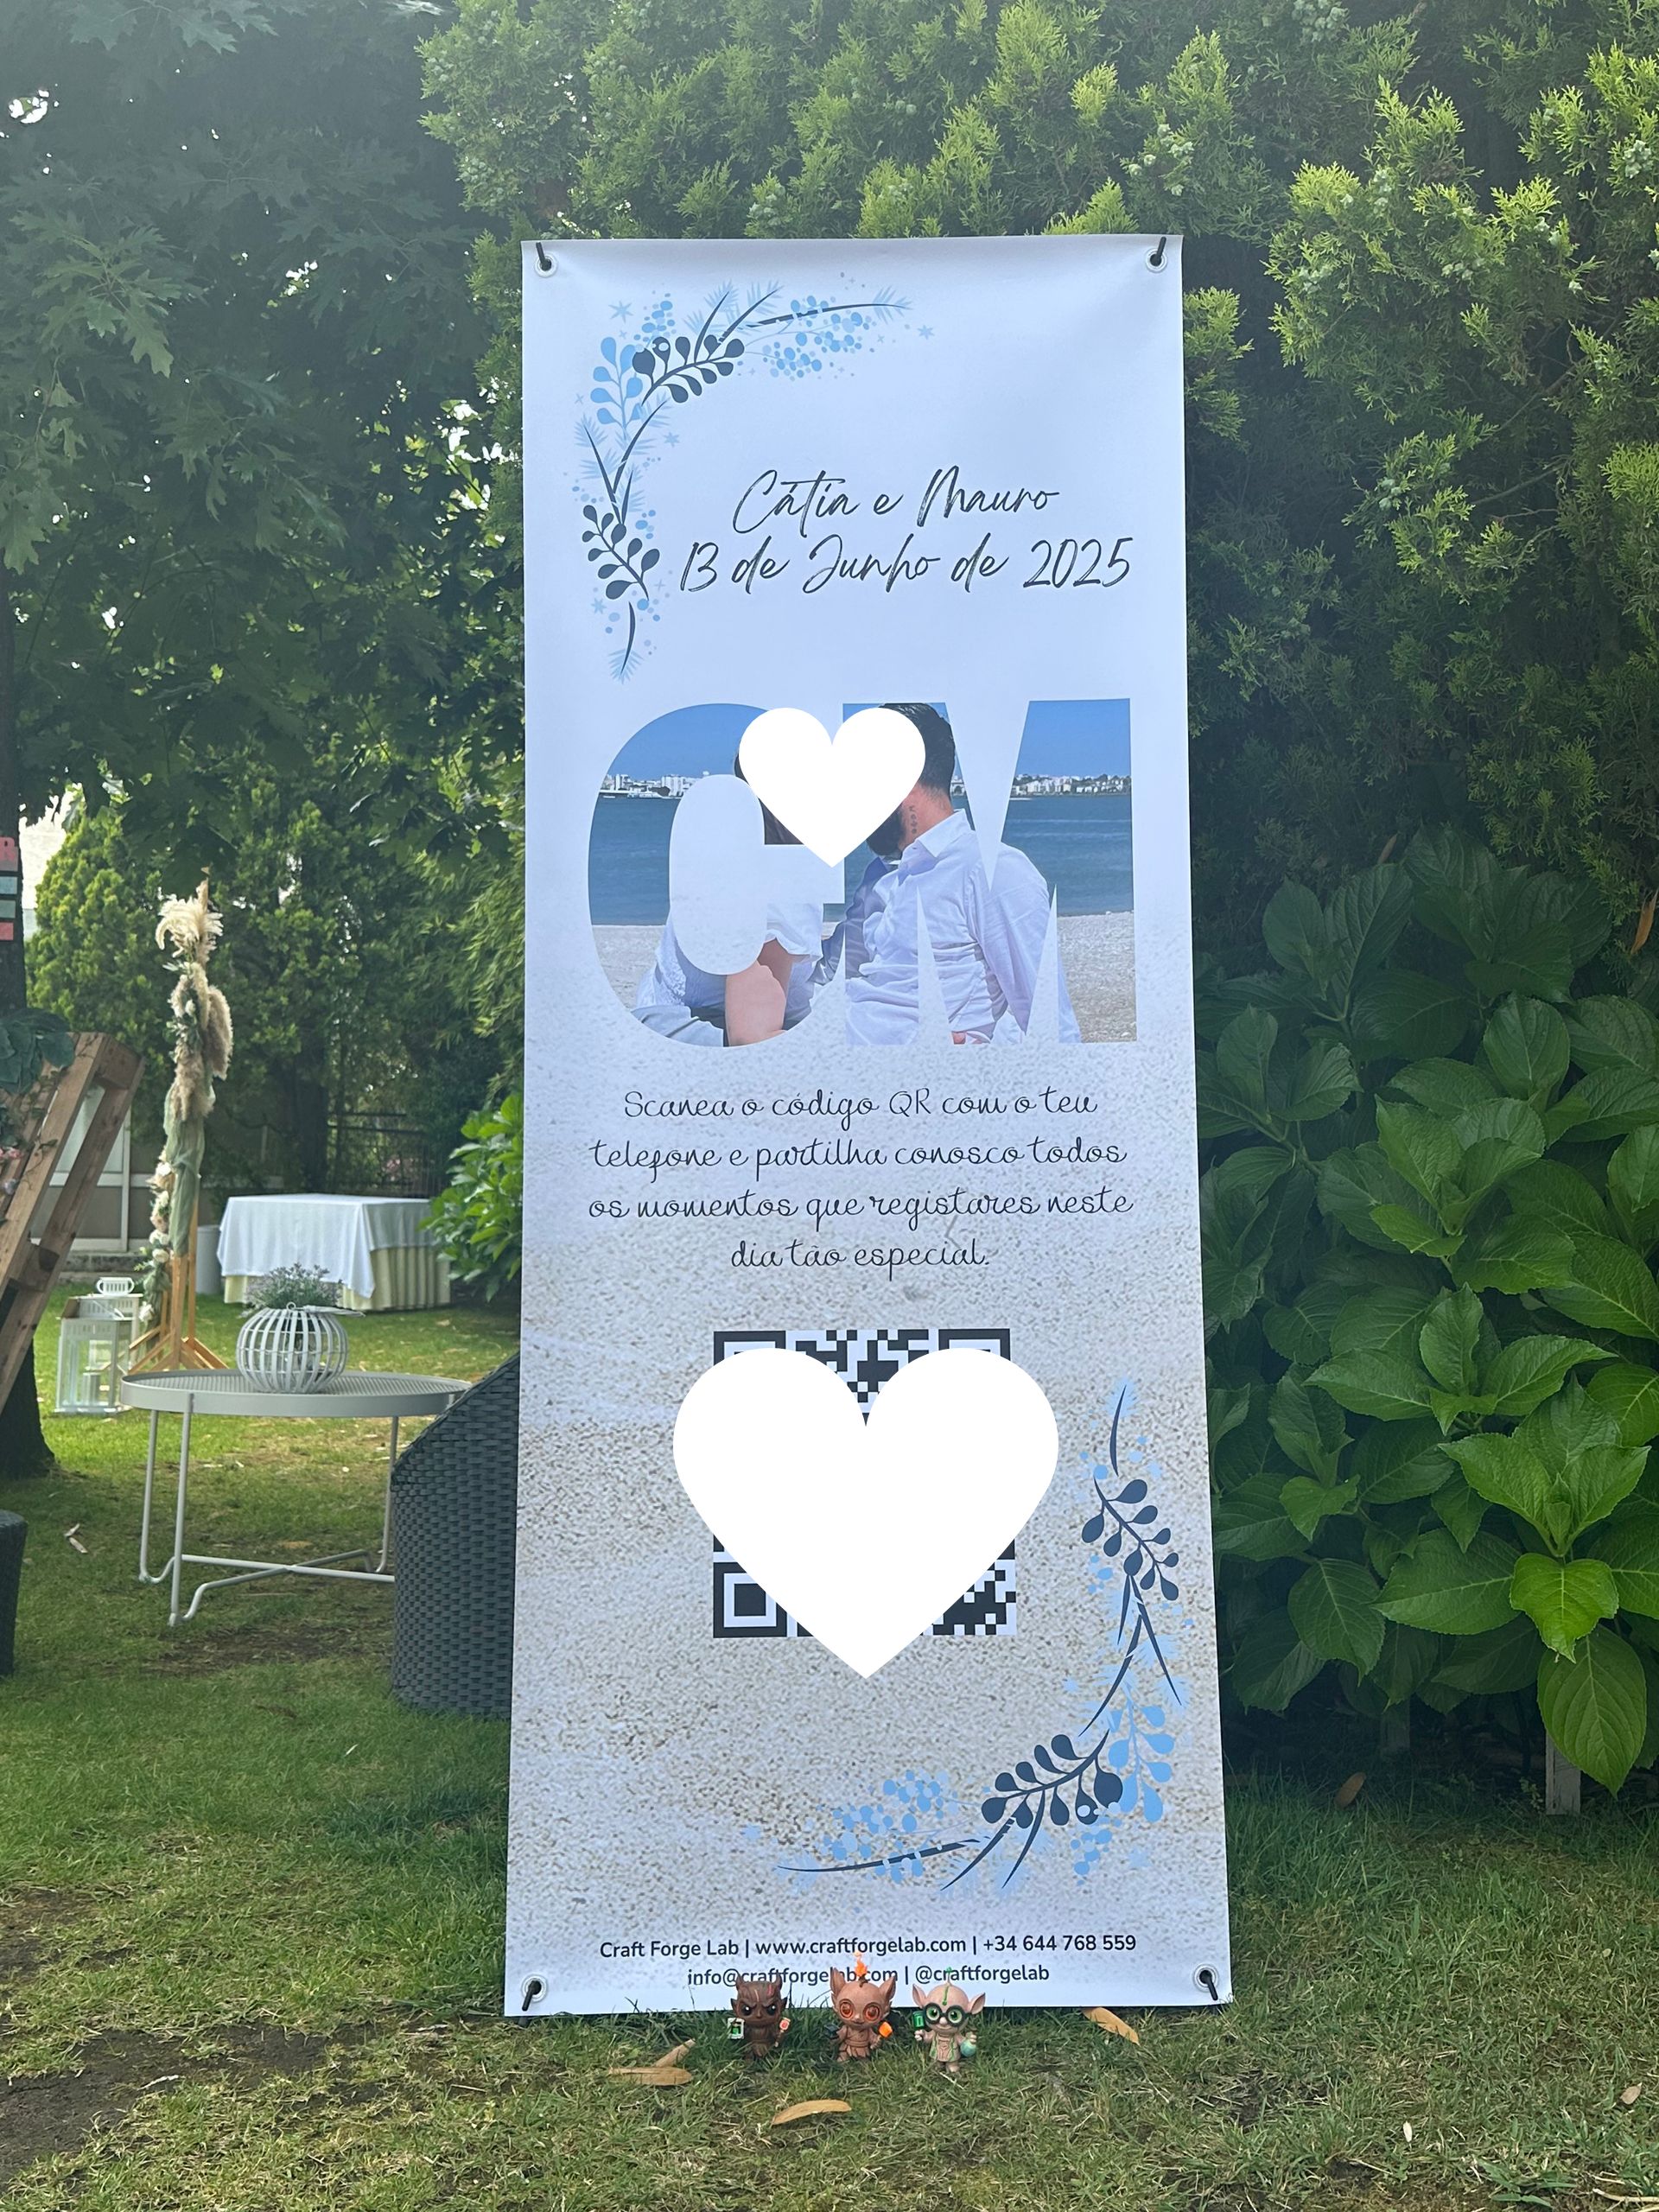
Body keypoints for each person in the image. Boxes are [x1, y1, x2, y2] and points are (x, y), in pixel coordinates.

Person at [843, 703, 1079, 1046]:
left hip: (905, 1089)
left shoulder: (991, 870)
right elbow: (824, 979)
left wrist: (977, 1063)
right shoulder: (880, 876)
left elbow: (1053, 1031)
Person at [632, 760, 823, 1046]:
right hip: (695, 1046)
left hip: (657, 1022)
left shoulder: (729, 855)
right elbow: (753, 1039)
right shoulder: (777, 886)